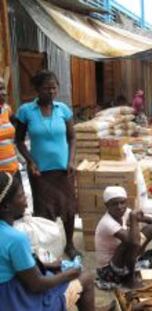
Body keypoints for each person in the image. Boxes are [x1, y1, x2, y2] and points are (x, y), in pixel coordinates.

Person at [0, 171, 108, 311]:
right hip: (17, 302)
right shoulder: (15, 238)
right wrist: (67, 275)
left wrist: (43, 264)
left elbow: (10, 266)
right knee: (85, 277)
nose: (25, 197)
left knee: (57, 269)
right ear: (6, 207)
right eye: (20, 195)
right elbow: (37, 285)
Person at [15, 70, 80, 259]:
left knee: (68, 208)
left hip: (63, 170)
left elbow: (72, 137)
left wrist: (71, 160)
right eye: (46, 88)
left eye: (54, 88)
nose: (51, 92)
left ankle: (70, 244)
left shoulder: (63, 110)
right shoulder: (26, 111)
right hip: (40, 172)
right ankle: (48, 247)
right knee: (45, 211)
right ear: (37, 89)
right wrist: (30, 161)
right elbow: (19, 140)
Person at [95, 186, 152, 288]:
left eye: (122, 202)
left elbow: (149, 219)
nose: (119, 206)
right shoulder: (107, 223)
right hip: (110, 269)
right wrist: (133, 218)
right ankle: (130, 279)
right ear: (107, 205)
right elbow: (134, 243)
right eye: (114, 204)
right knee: (129, 243)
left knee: (151, 228)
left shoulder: (125, 211)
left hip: (123, 260)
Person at [0, 77, 19, 176]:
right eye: (0, 89)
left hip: (13, 169)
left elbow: (16, 122)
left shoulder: (6, 109)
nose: (3, 92)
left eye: (3, 88)